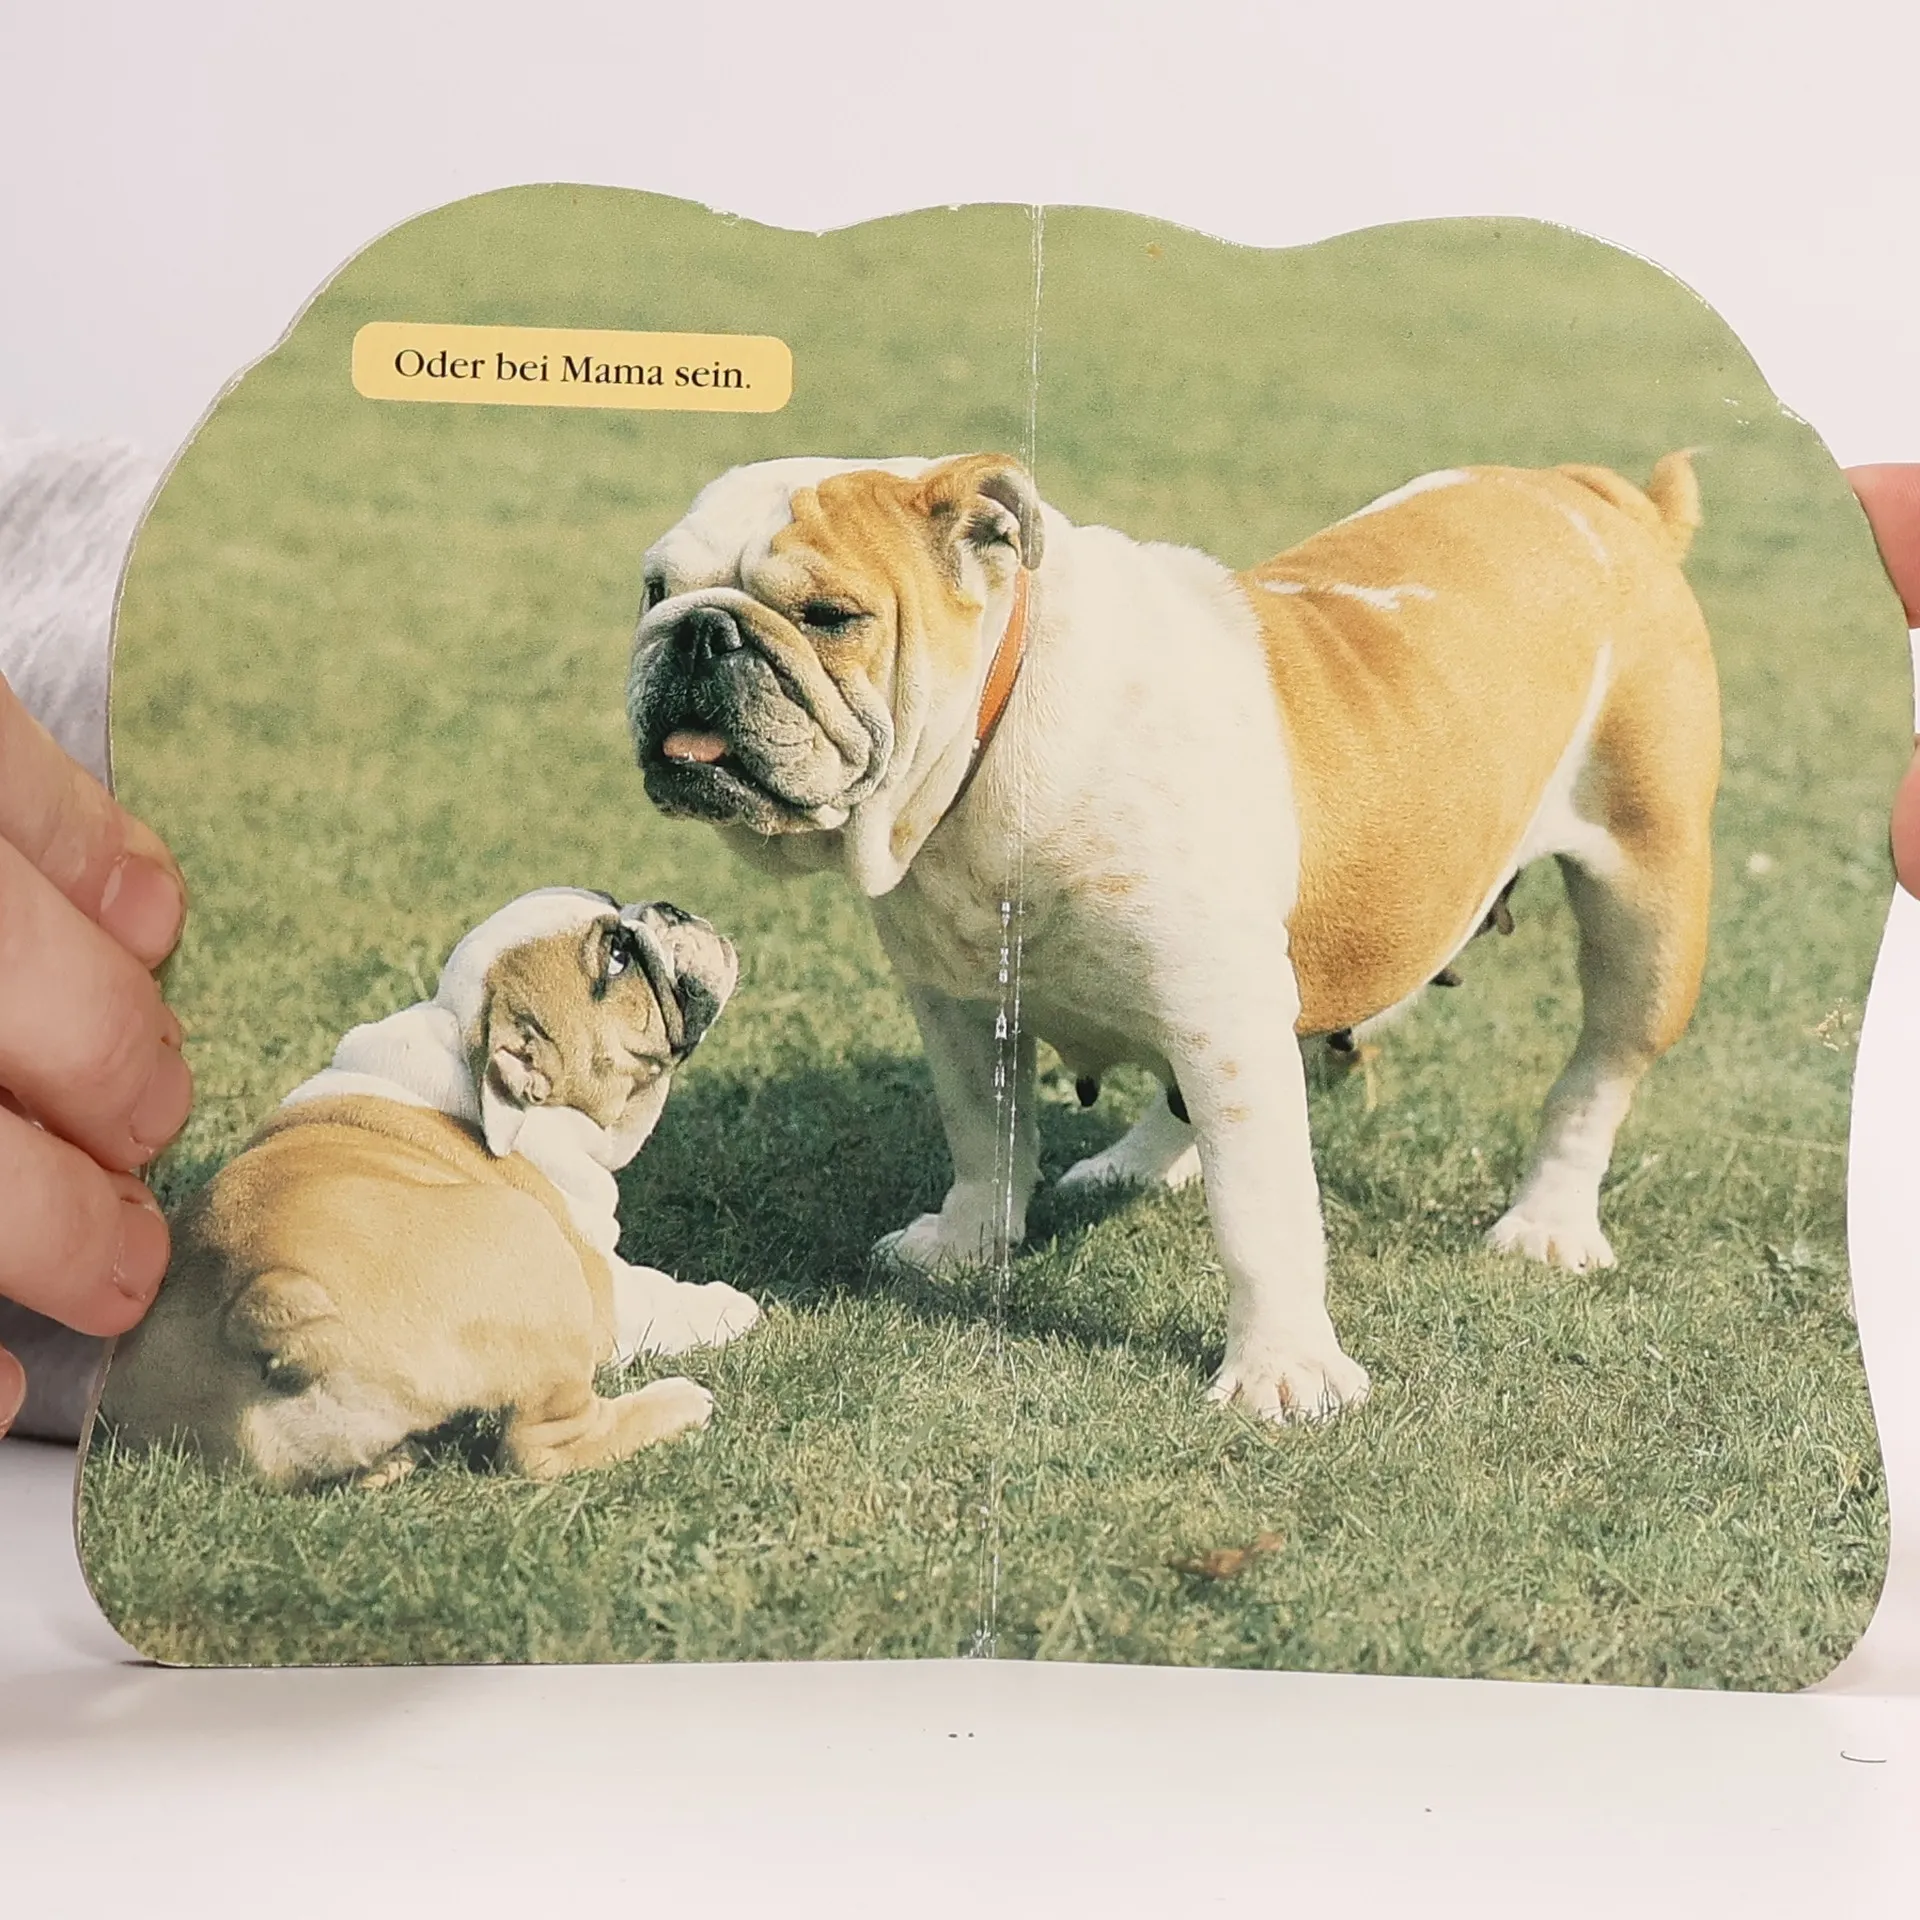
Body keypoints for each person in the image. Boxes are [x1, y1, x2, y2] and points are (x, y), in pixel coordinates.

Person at [3, 466, 1919, 1441]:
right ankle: (998, 1193)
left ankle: (1560, 1163)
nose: (711, 659)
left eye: (822, 621)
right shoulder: (923, 757)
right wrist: (984, 1191)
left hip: (1583, 644)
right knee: (975, 974)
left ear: (986, 554)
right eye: (674, 610)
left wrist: (1283, 1331)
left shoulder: (1136, 756)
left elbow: (1236, 1031)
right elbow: (945, 977)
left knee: (1299, 1003)